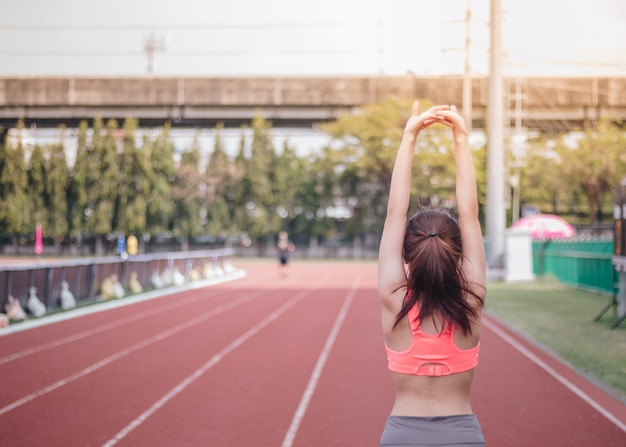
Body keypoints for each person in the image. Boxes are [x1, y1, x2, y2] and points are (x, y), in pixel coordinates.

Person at [377, 102, 487, 447]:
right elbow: (469, 214)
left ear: (406, 253)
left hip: (403, 436)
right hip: (462, 437)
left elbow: (396, 212)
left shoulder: (393, 298)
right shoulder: (472, 298)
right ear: (458, 252)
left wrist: (410, 136)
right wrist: (461, 139)